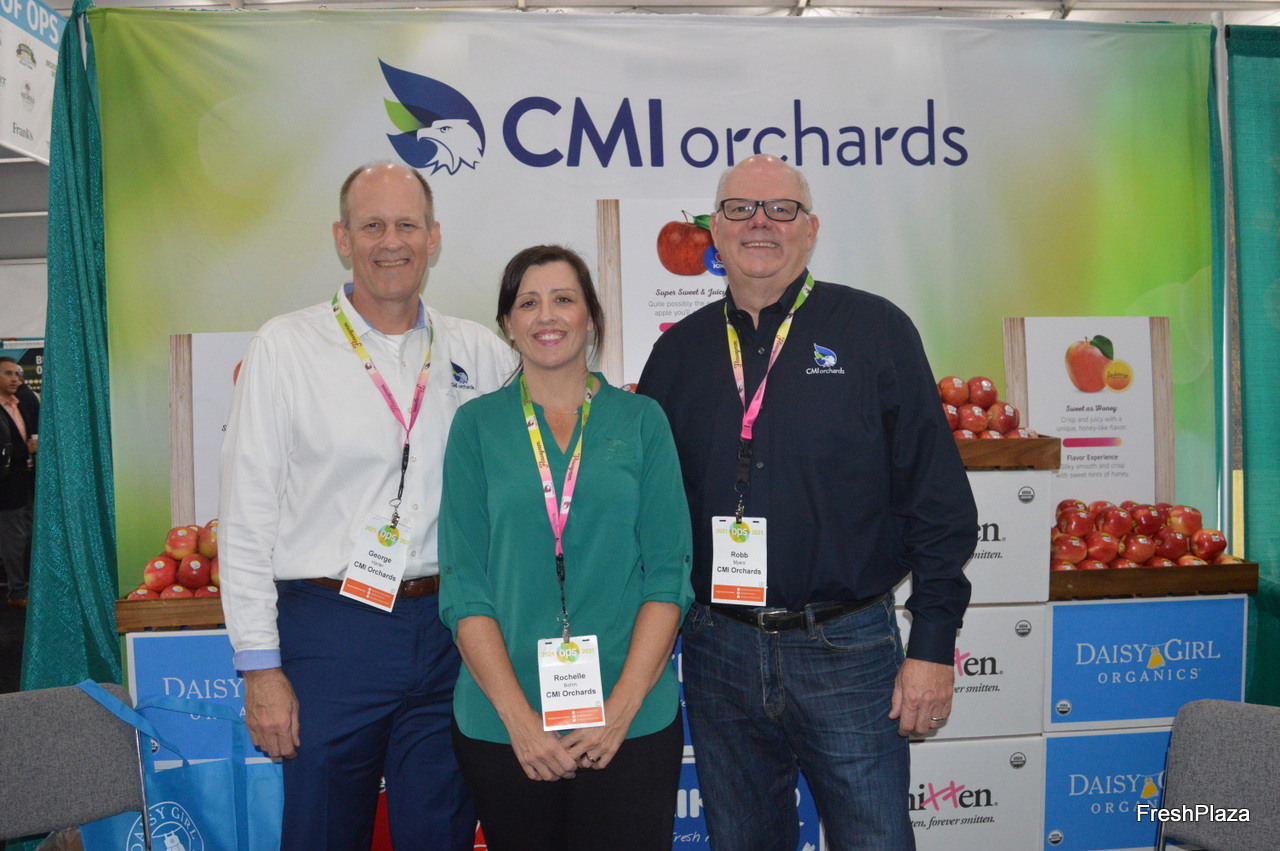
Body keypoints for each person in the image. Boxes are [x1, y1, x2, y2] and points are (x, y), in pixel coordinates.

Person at [637, 154, 978, 849]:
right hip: (718, 648)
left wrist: (933, 643)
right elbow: (649, 514)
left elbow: (939, 499)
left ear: (811, 228)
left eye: (781, 209)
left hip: (846, 648)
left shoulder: (876, 330)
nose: (759, 222)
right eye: (739, 209)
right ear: (714, 232)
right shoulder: (677, 354)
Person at [219, 162, 515, 849]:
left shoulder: (478, 350)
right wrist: (259, 668)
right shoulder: (286, 347)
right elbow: (246, 519)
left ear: (433, 238)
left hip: (450, 629)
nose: (391, 241)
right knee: (323, 831)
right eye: (372, 225)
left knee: (441, 831)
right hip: (332, 631)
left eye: (407, 225)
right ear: (342, 238)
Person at [438, 245, 693, 850]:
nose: (546, 316)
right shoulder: (475, 427)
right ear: (508, 323)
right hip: (505, 726)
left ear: (591, 316)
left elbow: (668, 576)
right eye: (528, 303)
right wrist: (521, 722)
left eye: (563, 299)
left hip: (630, 722)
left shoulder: (642, 420)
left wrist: (620, 709)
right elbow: (464, 586)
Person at [0, 357, 38, 609]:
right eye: (8, 373)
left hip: (25, 481)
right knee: (13, 539)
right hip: (6, 486)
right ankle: (16, 592)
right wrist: (26, 449)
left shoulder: (20, 404)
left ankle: (25, 586)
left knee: (26, 534)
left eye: (17, 373)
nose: (15, 378)